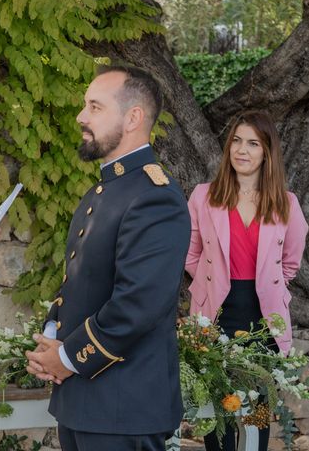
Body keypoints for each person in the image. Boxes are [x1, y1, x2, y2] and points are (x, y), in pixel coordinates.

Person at [26, 65, 191, 451]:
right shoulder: (105, 190)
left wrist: (66, 357)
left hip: (123, 408)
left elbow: (137, 304)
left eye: (95, 107)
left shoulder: (155, 196)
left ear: (133, 118)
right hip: (85, 401)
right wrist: (50, 339)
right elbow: (82, 282)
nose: (82, 117)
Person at [185, 110, 308, 451]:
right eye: (236, 141)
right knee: (216, 406)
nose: (242, 149)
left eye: (253, 143)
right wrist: (213, 283)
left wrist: (270, 288)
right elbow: (190, 253)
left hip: (263, 317)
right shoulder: (203, 196)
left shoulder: (286, 204)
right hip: (215, 311)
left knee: (258, 407)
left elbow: (290, 264)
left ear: (267, 152)